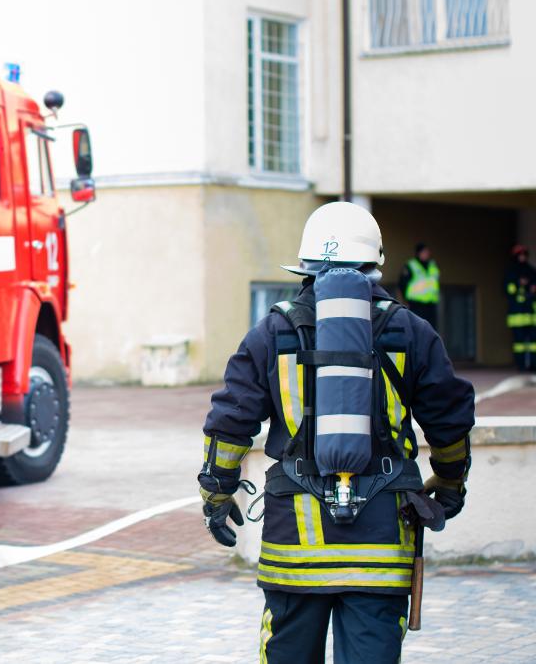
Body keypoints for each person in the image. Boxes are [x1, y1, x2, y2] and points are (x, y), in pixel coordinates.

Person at [199, 202, 474, 664]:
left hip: (295, 547)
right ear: (375, 263)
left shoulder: (273, 331)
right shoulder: (410, 330)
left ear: (305, 265)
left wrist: (216, 495)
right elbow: (450, 419)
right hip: (381, 546)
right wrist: (448, 484)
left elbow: (231, 422)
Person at [503, 245, 536, 371]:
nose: (522, 257)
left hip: (531, 314)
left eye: (524, 254)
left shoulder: (531, 271)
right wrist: (518, 284)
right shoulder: (511, 272)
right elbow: (507, 290)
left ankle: (533, 365)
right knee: (519, 343)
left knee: (534, 343)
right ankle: (521, 366)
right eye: (519, 255)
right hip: (517, 314)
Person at [398, 243, 440, 331]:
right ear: (419, 253)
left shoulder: (432, 265)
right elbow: (402, 284)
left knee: (431, 330)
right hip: (416, 304)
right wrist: (406, 300)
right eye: (424, 252)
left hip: (431, 304)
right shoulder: (411, 265)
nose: (427, 254)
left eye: (427, 252)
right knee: (417, 329)